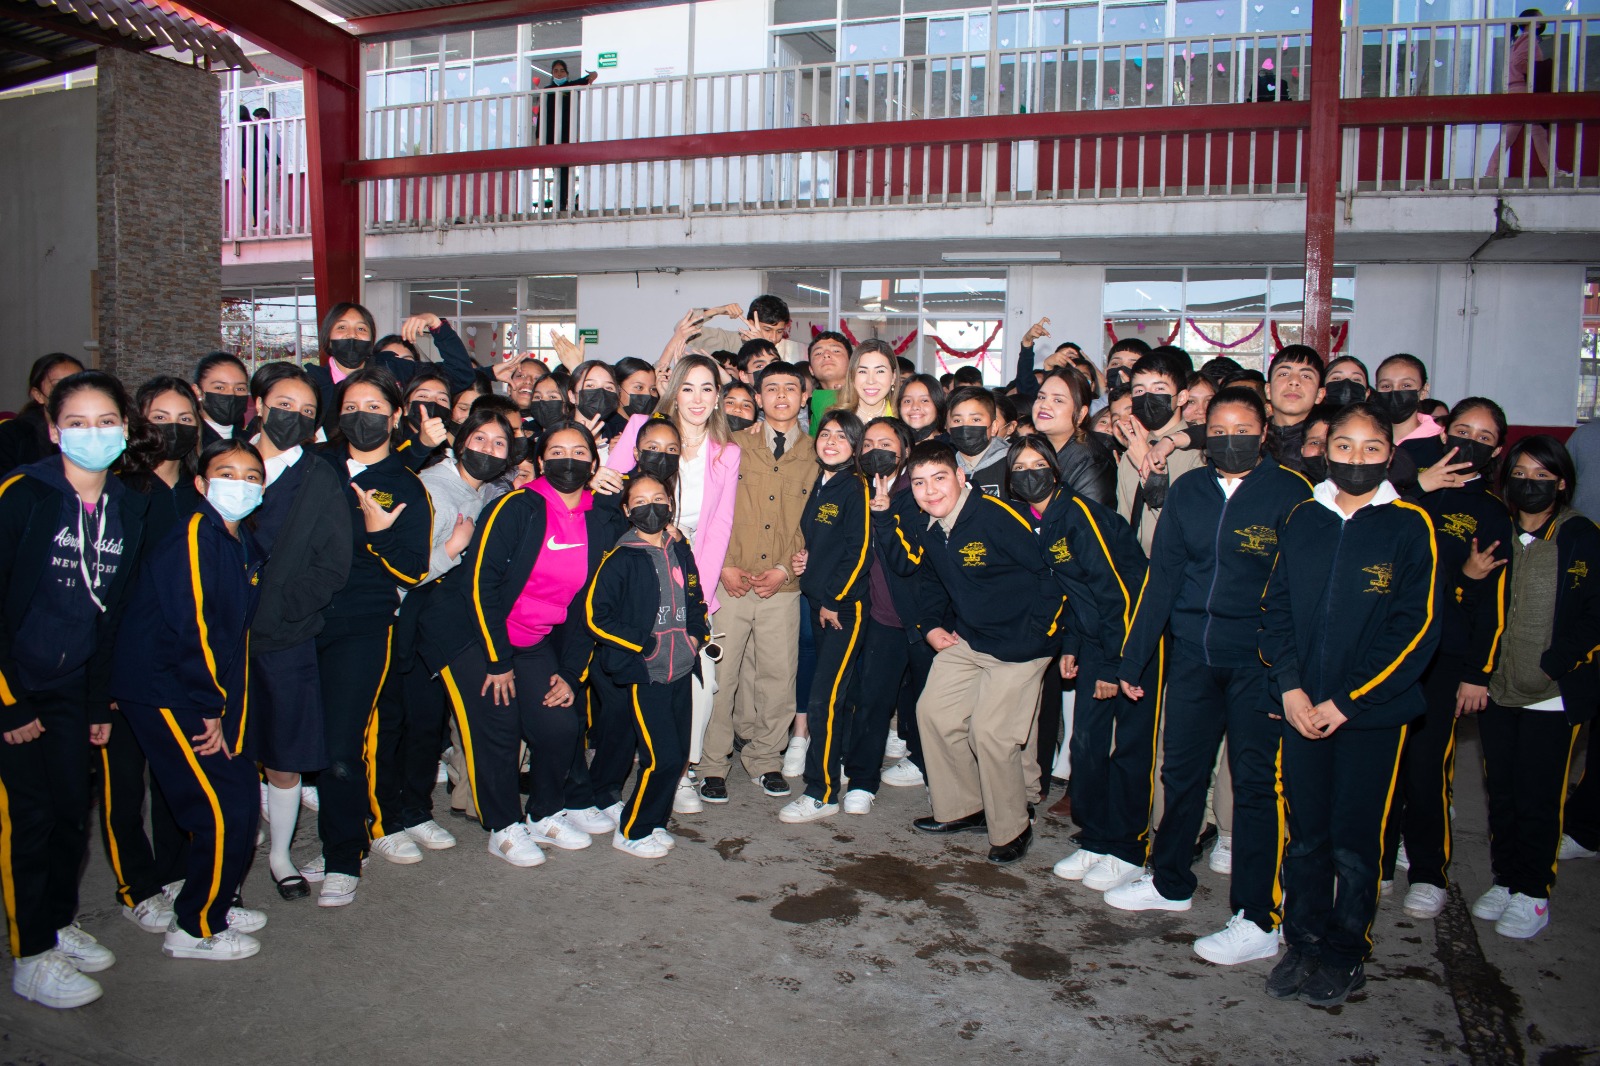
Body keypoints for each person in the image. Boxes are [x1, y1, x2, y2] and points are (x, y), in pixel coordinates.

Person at [1102, 387, 1313, 968]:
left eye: (1242, 429)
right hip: (1193, 656)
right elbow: (1162, 580)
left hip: (1260, 665)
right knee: (1181, 772)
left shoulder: (1292, 495)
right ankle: (1169, 881)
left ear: (1264, 431)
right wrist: (1133, 660)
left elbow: (1306, 596)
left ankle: (1259, 917)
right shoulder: (1191, 489)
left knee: (1254, 788)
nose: (1229, 439)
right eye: (1218, 430)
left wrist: (1292, 676)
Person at [1260, 401, 1439, 1008]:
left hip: (1368, 717)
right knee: (1306, 836)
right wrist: (1289, 687)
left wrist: (1349, 700)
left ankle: (1346, 951)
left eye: (1370, 449)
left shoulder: (1411, 526)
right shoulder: (1303, 517)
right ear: (1324, 450)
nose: (1355, 459)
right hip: (1300, 706)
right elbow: (1276, 608)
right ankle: (1303, 941)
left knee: (1355, 843)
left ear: (1390, 454)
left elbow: (1415, 630)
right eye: (1344, 447)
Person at [0, 371, 149, 1009]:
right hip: (16, 686)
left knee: (69, 814)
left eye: (107, 422)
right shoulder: (23, 496)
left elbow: (108, 613)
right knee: (29, 819)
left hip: (72, 687)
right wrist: (9, 701)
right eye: (79, 423)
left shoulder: (125, 507)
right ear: (55, 430)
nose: (95, 434)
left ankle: (59, 922)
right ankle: (30, 953)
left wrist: (95, 704)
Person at [421, 423, 625, 868]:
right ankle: (503, 827)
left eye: (578, 452)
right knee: (496, 724)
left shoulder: (601, 520)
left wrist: (571, 673)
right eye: (556, 451)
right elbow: (480, 584)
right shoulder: (516, 506)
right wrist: (497, 661)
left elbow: (590, 606)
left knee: (559, 726)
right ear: (540, 458)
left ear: (593, 464)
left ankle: (545, 812)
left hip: (533, 639)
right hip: (473, 635)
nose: (567, 460)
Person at [109, 439, 269, 961]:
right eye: (227, 472)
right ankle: (196, 926)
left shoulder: (239, 538)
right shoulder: (198, 534)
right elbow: (194, 626)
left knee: (240, 794)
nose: (240, 484)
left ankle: (213, 900)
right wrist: (210, 708)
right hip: (170, 689)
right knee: (221, 805)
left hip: (196, 691)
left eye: (252, 477)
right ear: (201, 483)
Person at [879, 441, 1063, 864]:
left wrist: (1039, 634)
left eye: (940, 479)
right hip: (971, 639)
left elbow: (1051, 573)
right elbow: (929, 579)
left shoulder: (997, 518)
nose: (930, 491)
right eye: (921, 483)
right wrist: (930, 626)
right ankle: (965, 807)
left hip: (1020, 645)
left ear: (962, 477)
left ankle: (1013, 826)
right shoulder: (931, 523)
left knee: (990, 734)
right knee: (934, 714)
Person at [301, 367, 432, 908]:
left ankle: (343, 856)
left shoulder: (405, 482)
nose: (364, 416)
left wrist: (378, 538)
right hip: (300, 623)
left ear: (396, 416)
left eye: (376, 407)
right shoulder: (317, 467)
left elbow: (412, 569)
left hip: (361, 626)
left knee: (341, 745)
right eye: (352, 406)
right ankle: (338, 829)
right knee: (302, 740)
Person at [1382, 398, 1514, 919]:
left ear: (1497, 450)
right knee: (1383, 760)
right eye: (1462, 431)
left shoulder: (1490, 511)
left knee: (1427, 765)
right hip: (1389, 649)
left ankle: (1429, 871)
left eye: (1483, 438)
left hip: (1445, 654)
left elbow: (1492, 600)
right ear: (1441, 434)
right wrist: (1419, 487)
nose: (1470, 443)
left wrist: (1477, 673)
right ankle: (1379, 854)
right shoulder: (1410, 491)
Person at [369, 406, 515, 867]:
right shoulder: (429, 486)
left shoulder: (494, 492)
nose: (488, 450)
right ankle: (384, 818)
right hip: (407, 619)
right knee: (397, 722)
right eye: (480, 439)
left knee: (427, 724)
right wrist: (452, 549)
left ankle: (415, 809)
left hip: (450, 622)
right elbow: (401, 568)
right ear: (459, 440)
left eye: (499, 444)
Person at [1471, 435, 1600, 939]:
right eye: (1519, 473)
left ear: (1561, 482)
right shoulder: (1497, 530)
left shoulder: (1580, 536)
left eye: (1541, 476)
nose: (1529, 483)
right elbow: (1475, 604)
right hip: (1498, 689)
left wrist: (1557, 664)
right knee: (1500, 790)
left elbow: (1593, 614)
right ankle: (1507, 878)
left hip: (1552, 692)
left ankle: (1533, 892)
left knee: (1539, 794)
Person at [604, 354, 742, 813]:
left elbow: (719, 526)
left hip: (689, 572)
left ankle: (681, 770)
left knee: (696, 681)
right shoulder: (646, 430)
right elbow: (611, 489)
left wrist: (695, 595)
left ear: (719, 396)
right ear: (673, 391)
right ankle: (617, 776)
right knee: (633, 678)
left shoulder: (727, 452)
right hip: (636, 568)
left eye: (708, 388)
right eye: (688, 387)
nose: (698, 398)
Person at [97, 376, 201, 930]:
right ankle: (136, 885)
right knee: (123, 784)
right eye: (162, 416)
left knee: (173, 778)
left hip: (182, 662)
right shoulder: (121, 491)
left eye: (186, 419)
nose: (175, 429)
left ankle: (177, 870)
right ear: (140, 421)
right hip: (124, 663)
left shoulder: (201, 490)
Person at [246, 363, 352, 901]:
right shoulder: (226, 466)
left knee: (284, 751)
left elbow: (333, 563)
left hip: (286, 635)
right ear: (259, 405)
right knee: (226, 752)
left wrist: (283, 606)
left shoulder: (317, 476)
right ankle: (225, 860)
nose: (294, 416)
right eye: (284, 404)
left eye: (308, 412)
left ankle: (280, 854)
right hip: (219, 636)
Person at [696, 361, 817, 805]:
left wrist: (786, 569)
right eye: (771, 389)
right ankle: (712, 764)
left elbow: (816, 523)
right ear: (758, 397)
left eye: (791, 388)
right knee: (721, 678)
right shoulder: (730, 445)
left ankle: (766, 760)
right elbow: (711, 508)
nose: (782, 396)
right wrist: (724, 565)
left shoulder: (818, 453)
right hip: (729, 582)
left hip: (782, 587)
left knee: (777, 677)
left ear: (805, 397)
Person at [584, 472, 711, 857]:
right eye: (639, 501)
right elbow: (595, 616)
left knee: (677, 757)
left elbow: (695, 594)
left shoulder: (679, 547)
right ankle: (633, 831)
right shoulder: (621, 558)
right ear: (626, 510)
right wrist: (646, 643)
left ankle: (653, 822)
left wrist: (696, 634)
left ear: (670, 504)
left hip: (682, 668)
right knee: (662, 757)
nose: (650, 506)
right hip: (647, 673)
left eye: (658, 498)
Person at [783, 410, 871, 824]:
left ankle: (821, 792)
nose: (831, 441)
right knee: (838, 696)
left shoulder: (855, 488)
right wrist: (807, 560)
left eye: (842, 436)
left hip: (842, 610)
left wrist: (834, 598)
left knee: (825, 700)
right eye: (826, 434)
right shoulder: (822, 484)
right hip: (819, 604)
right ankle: (842, 773)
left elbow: (860, 549)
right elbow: (825, 541)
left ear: (855, 447)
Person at [842, 416, 931, 802]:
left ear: (905, 451)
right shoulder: (854, 490)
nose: (876, 450)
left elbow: (907, 561)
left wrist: (884, 515)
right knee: (873, 700)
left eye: (886, 443)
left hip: (926, 619)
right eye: (868, 443)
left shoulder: (920, 494)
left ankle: (934, 773)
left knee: (929, 706)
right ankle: (862, 781)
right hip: (880, 616)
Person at [302, 304, 476, 434]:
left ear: (371, 339)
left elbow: (459, 374)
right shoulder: (312, 385)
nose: (352, 334)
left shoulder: (393, 369)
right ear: (327, 337)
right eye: (342, 327)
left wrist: (434, 323)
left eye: (361, 328)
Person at [1115, 349, 1202, 552]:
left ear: (1181, 397)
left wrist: (1150, 472)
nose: (1147, 397)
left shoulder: (1196, 453)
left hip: (1177, 566)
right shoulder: (1132, 451)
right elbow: (1124, 519)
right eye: (1139, 391)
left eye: (1159, 389)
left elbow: (1185, 528)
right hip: (1135, 569)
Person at [1484, 10, 1561, 180]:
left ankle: (1552, 172)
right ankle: (1491, 171)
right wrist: (1536, 72)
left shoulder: (1521, 40)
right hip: (1524, 89)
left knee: (1535, 132)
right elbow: (1518, 62)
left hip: (1520, 89)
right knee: (1527, 132)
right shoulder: (1528, 39)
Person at [1031, 367, 1116, 505]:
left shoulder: (1092, 461)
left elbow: (1088, 521)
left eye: (1058, 400)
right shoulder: (1035, 448)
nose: (1044, 405)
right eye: (1041, 397)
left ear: (1081, 414)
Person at [0, 354, 84, 476]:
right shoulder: (12, 435)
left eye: (79, 384)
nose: (71, 394)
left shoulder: (101, 430)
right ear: (38, 395)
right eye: (59, 386)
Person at [540, 58, 598, 211]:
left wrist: (593, 74)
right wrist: (539, 137)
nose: (559, 74)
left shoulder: (569, 87)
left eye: (562, 70)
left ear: (566, 72)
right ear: (552, 74)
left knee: (566, 170)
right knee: (556, 171)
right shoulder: (547, 91)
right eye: (555, 71)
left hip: (567, 135)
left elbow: (586, 80)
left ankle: (564, 203)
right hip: (552, 137)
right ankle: (559, 203)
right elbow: (542, 116)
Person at [944, 386, 1012, 499]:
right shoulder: (946, 467)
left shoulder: (1012, 463)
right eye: (957, 420)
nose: (965, 426)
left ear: (994, 427)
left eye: (975, 419)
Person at [193, 352, 251, 447]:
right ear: (198, 391)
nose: (231, 394)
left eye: (240, 388)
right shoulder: (190, 442)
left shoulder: (251, 440)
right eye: (219, 387)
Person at [832, 341, 897, 424]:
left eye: (880, 371)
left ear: (893, 377)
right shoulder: (835, 419)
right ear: (852, 376)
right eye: (862, 371)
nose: (871, 381)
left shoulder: (904, 419)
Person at [805, 331, 852, 432]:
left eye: (836, 351)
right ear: (811, 370)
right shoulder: (806, 405)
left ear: (851, 363)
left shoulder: (867, 398)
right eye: (818, 353)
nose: (826, 355)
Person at [896, 374, 946, 443]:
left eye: (924, 400)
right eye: (907, 401)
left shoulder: (950, 447)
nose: (915, 407)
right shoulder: (894, 445)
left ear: (937, 404)